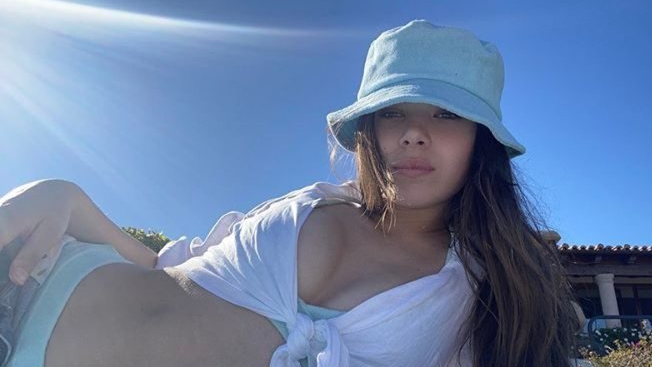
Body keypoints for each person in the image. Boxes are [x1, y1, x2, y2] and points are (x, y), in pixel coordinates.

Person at [0, 19, 579, 366]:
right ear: (368, 130)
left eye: (446, 114)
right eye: (392, 111)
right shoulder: (312, 202)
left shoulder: (494, 297)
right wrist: (65, 197)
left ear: (481, 141)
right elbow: (169, 268)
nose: (412, 132)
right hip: (26, 292)